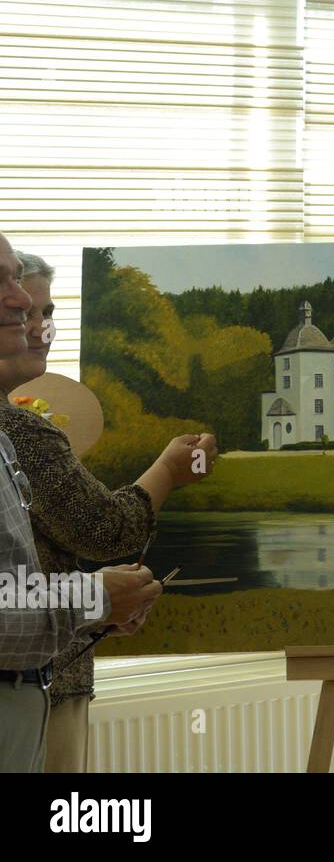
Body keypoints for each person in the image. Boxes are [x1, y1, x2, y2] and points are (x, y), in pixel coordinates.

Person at [0, 250, 218, 772]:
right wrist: (167, 470)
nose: (34, 320)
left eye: (46, 312)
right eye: (22, 306)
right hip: (36, 682)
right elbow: (105, 530)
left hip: (43, 674)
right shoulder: (23, 427)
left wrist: (99, 602)